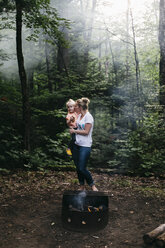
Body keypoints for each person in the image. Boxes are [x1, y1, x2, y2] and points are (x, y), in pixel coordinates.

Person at [69, 97, 98, 191]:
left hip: (85, 146)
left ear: (80, 107)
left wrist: (74, 131)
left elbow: (86, 132)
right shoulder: (79, 116)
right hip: (76, 145)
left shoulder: (88, 116)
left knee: (82, 167)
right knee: (78, 167)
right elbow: (75, 126)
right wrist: (71, 121)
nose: (74, 107)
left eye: (76, 106)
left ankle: (92, 185)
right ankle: (81, 185)